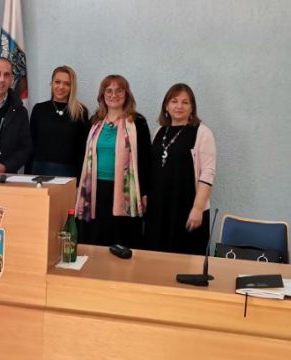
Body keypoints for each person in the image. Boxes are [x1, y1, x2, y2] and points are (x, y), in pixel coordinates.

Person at [75, 74, 151, 248]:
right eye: (108, 91)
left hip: (126, 190)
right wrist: (79, 186)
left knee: (121, 238)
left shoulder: (137, 123)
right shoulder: (94, 122)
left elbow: (146, 160)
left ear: (126, 94)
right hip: (96, 190)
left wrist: (145, 192)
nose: (113, 95)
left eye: (119, 90)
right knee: (96, 237)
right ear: (102, 95)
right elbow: (82, 157)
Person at [146, 83, 216, 255]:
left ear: (192, 107)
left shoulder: (202, 132)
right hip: (159, 208)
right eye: (174, 101)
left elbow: (208, 173)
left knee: (186, 259)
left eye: (185, 102)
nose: (179, 106)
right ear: (166, 106)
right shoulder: (159, 131)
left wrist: (198, 208)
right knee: (155, 257)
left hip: (187, 208)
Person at [28, 65, 90, 178]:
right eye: (57, 82)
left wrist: (81, 179)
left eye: (67, 84)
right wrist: (27, 176)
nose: (61, 87)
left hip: (69, 173)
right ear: (51, 83)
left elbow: (82, 149)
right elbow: (31, 143)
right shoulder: (39, 109)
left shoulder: (80, 111)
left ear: (72, 87)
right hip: (39, 171)